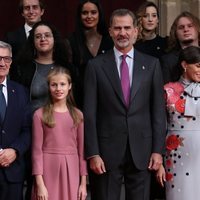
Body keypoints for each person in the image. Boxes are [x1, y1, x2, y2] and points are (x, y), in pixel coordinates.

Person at [83, 8, 166, 200]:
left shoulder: (152, 64)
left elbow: (158, 112)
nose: (123, 33)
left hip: (142, 151)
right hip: (106, 152)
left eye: (127, 28)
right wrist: (93, 153)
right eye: (118, 28)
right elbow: (89, 114)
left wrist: (157, 150)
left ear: (136, 31)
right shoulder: (95, 66)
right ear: (110, 31)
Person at [31, 66, 87, 200]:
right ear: (49, 87)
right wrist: (40, 184)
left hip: (71, 169)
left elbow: (82, 152)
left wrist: (83, 183)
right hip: (48, 170)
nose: (58, 89)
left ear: (69, 86)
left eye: (62, 84)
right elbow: (36, 152)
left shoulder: (78, 115)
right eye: (54, 85)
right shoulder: (39, 115)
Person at [156, 46, 200, 200]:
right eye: (198, 66)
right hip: (175, 154)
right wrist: (159, 160)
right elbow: (160, 126)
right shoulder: (168, 90)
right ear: (184, 65)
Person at [13, 21, 72, 112]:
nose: (43, 39)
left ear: (54, 39)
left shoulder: (66, 67)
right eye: (38, 36)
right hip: (30, 121)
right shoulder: (23, 68)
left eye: (47, 35)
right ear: (33, 41)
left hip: (61, 122)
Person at [68, 0, 113, 109]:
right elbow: (68, 76)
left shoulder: (110, 40)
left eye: (93, 12)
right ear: (79, 16)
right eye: (85, 13)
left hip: (107, 100)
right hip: (80, 100)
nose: (89, 16)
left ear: (99, 14)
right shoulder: (71, 41)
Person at [0, 41, 31, 200]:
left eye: (7, 59)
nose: (2, 63)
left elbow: (27, 130)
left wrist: (15, 150)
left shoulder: (21, 92)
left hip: (13, 172)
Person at [161, 11, 200, 83]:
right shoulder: (168, 61)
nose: (186, 29)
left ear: (198, 29)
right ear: (175, 33)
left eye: (190, 26)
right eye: (181, 27)